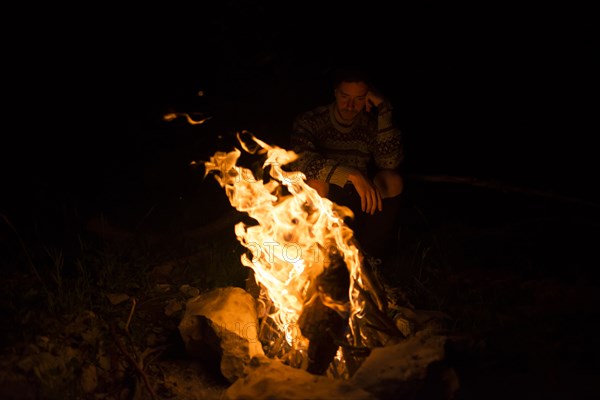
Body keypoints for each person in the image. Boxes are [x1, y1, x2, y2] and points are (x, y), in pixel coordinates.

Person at [288, 65, 404, 271]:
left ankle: (369, 259)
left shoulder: (369, 124)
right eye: (344, 96)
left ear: (367, 97)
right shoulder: (311, 120)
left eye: (359, 98)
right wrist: (352, 175)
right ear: (335, 92)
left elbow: (390, 163)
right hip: (326, 200)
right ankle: (318, 257)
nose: (350, 105)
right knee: (315, 183)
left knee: (392, 180)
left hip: (361, 200)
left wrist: (384, 110)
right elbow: (302, 161)